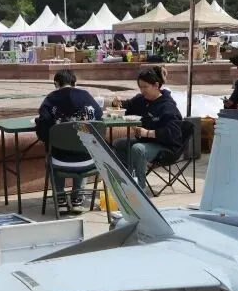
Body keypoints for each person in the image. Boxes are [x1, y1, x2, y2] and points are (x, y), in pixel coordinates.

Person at [35, 69, 103, 213]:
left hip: (60, 161)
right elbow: (99, 117)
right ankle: (77, 198)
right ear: (74, 82)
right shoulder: (86, 96)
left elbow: (43, 131)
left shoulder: (50, 99)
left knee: (54, 150)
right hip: (88, 160)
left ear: (56, 83)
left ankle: (60, 198)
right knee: (81, 146)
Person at [112, 67, 183, 191]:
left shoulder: (168, 106)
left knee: (138, 148)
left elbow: (174, 133)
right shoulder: (141, 100)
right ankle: (127, 179)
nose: (142, 90)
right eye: (140, 87)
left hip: (166, 147)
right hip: (147, 142)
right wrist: (116, 103)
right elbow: (127, 106)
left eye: (145, 87)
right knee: (119, 144)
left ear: (156, 85)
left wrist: (148, 133)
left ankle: (139, 187)